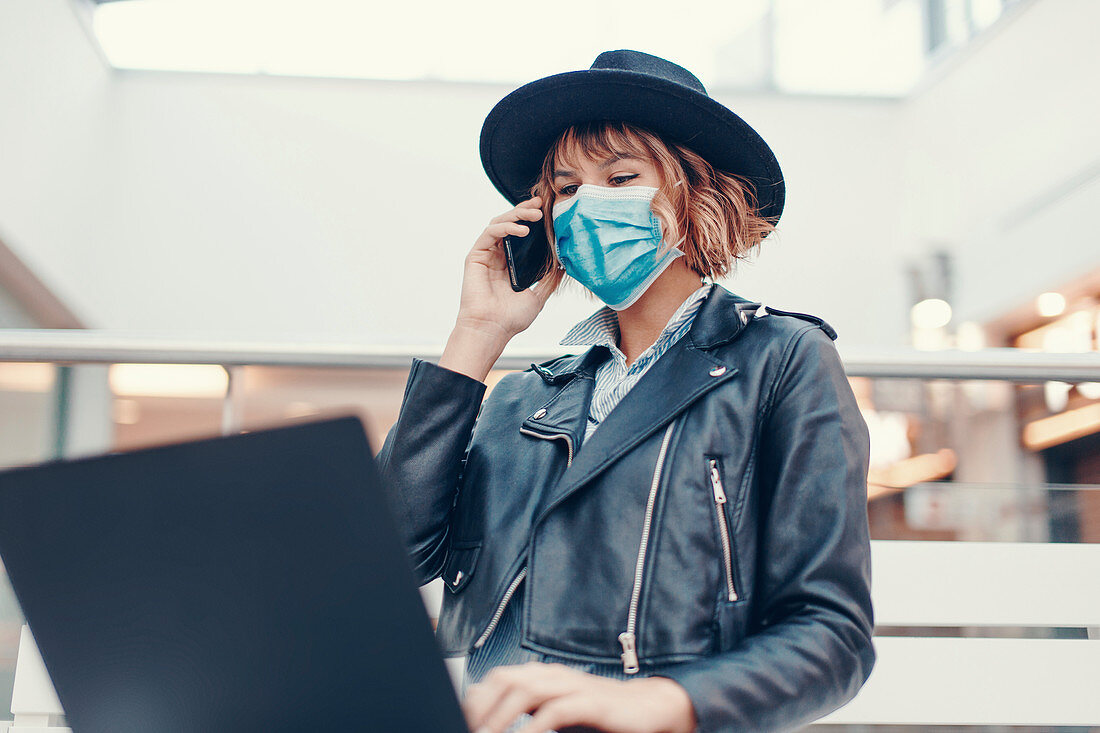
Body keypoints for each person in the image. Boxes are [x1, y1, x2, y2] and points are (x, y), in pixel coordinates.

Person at [377, 50, 874, 733]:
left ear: (696, 191)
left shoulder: (781, 360)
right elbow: (395, 555)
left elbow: (832, 636)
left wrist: (658, 702)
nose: (587, 204)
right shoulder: (524, 399)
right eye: (566, 187)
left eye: (621, 176)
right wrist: (477, 334)